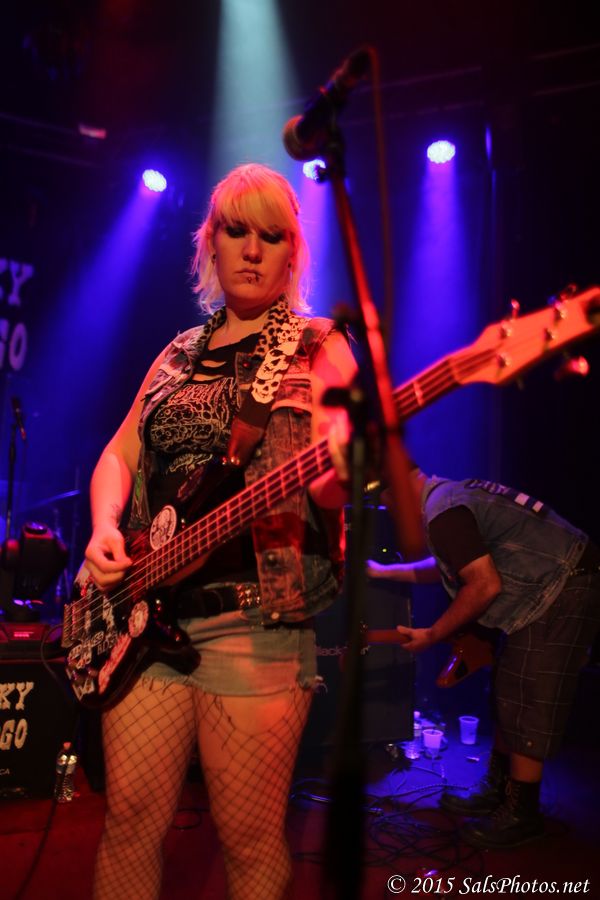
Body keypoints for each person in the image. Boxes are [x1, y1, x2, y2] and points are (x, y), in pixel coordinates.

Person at [84, 163, 357, 900]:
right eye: (236, 231)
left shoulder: (320, 346)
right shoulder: (177, 354)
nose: (252, 249)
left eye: (272, 235)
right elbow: (118, 453)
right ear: (210, 243)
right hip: (143, 619)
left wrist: (341, 472)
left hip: (253, 621)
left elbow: (332, 485)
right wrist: (104, 527)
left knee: (249, 840)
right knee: (129, 821)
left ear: (293, 252)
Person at [367, 468, 600, 849]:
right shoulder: (446, 499)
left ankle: (522, 814)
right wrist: (384, 571)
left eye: (389, 503)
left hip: (564, 583)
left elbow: (484, 584)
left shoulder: (444, 512)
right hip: (553, 582)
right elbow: (450, 566)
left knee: (527, 692)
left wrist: (432, 634)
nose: (392, 512)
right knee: (508, 689)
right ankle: (499, 790)